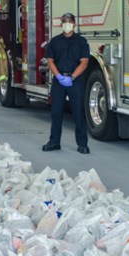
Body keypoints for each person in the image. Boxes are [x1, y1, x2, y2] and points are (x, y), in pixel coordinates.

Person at [42, 13, 90, 154]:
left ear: (74, 24)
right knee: (56, 112)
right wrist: (58, 75)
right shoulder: (55, 42)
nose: (67, 24)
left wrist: (73, 77)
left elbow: (84, 62)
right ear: (60, 24)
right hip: (59, 80)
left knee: (78, 113)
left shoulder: (81, 42)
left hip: (75, 81)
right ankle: (54, 142)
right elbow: (50, 60)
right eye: (64, 21)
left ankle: (82, 144)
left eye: (69, 21)